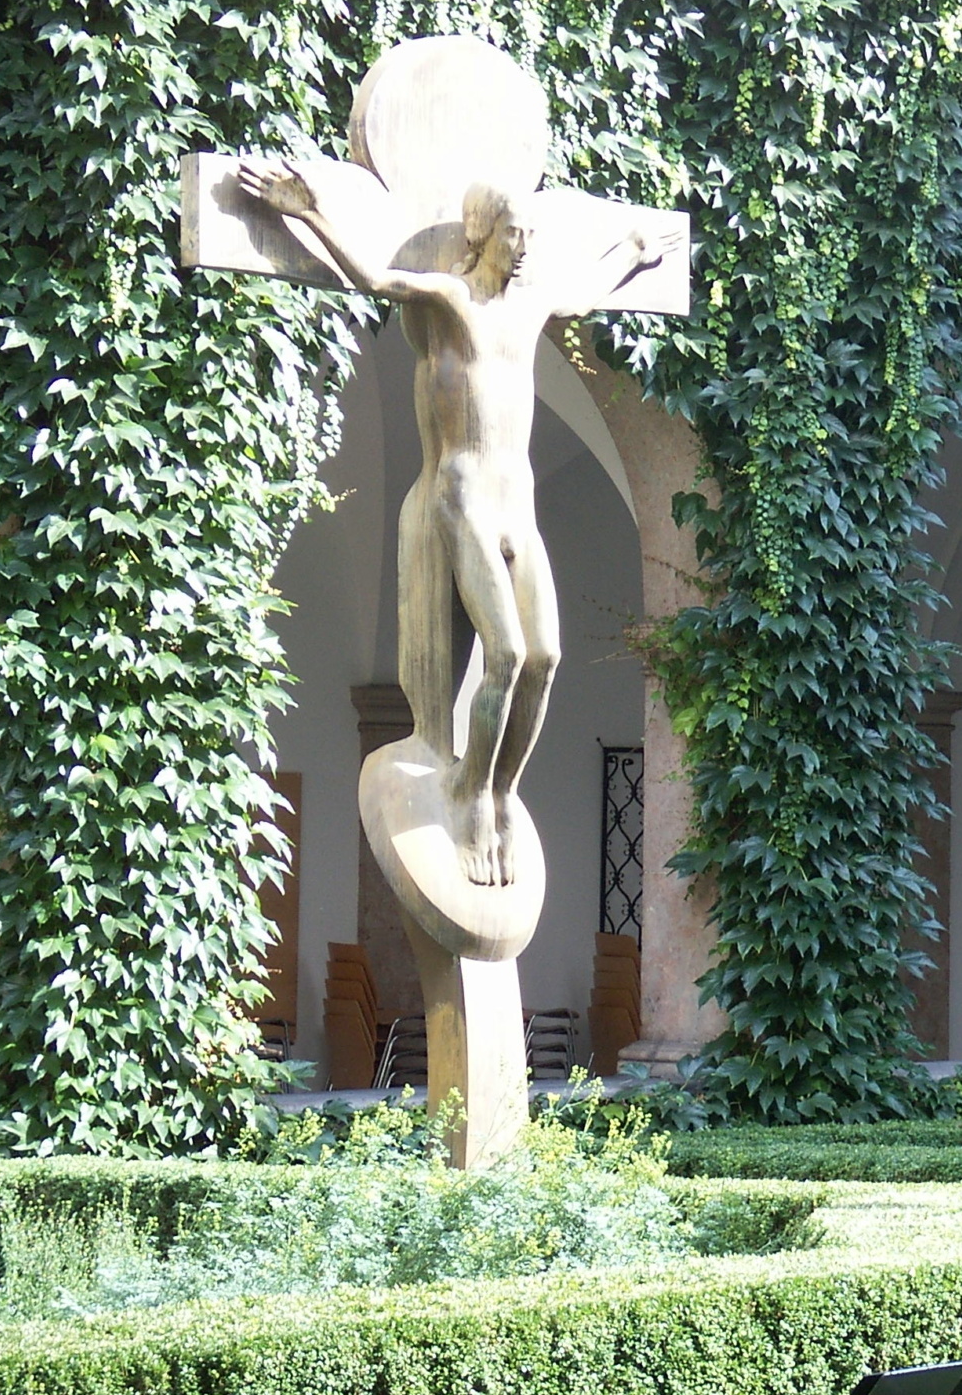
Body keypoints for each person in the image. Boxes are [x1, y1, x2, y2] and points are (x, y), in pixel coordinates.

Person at [236, 158, 674, 886]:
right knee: (505, 654)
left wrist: (632, 252)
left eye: (528, 233)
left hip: (517, 503)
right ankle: (469, 792)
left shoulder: (531, 306)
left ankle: (498, 792)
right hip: (463, 495)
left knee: (545, 657)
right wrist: (308, 213)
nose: (523, 246)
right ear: (480, 234)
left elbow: (584, 291)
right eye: (511, 232)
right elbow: (377, 280)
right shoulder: (451, 299)